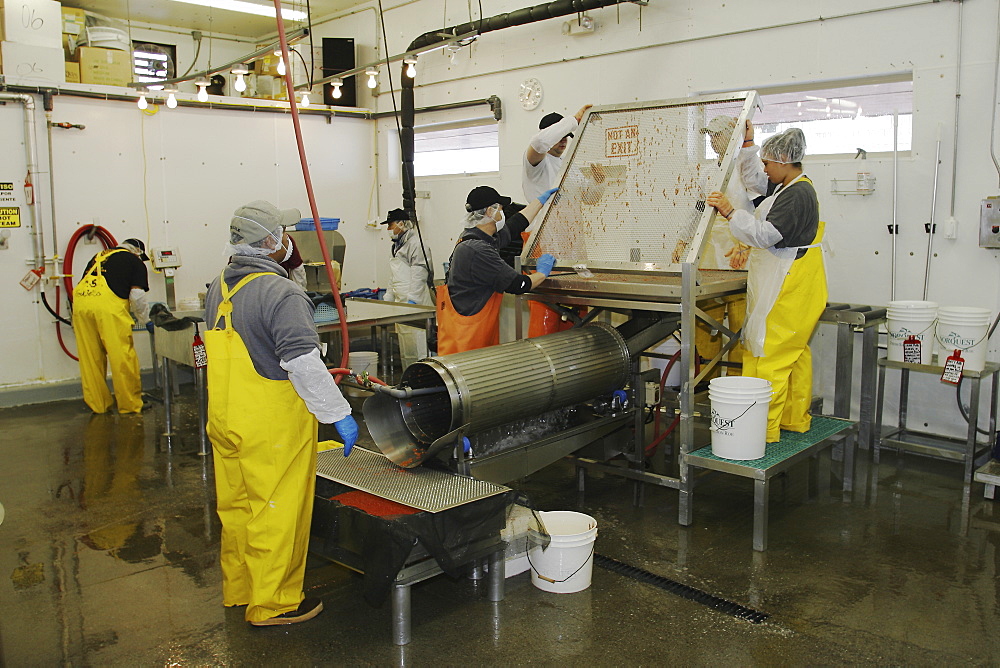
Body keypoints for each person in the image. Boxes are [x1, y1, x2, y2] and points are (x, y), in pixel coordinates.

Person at [203, 200, 359, 627]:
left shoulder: (219, 284)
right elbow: (304, 362)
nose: (289, 242)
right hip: (269, 428)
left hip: (224, 419)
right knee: (277, 512)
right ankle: (274, 603)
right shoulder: (281, 292)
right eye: (285, 234)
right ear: (273, 242)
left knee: (236, 508)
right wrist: (338, 413)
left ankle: (241, 589)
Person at [707, 127, 826, 443]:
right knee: (794, 354)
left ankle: (763, 430)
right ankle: (792, 419)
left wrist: (730, 212)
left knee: (770, 356)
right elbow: (756, 184)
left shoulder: (797, 194)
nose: (764, 169)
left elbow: (766, 235)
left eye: (768, 163)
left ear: (785, 161)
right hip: (793, 279)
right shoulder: (788, 188)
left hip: (790, 284)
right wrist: (748, 144)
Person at [438, 186, 557, 355]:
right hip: (466, 343)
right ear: (489, 211)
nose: (503, 213)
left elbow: (515, 225)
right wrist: (542, 272)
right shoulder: (478, 249)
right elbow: (519, 284)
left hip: (473, 334)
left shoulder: (475, 237)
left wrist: (540, 201)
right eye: (500, 209)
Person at [679, 117, 756, 379]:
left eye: (718, 135)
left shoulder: (747, 169)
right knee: (705, 326)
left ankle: (737, 388)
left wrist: (748, 244)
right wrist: (683, 238)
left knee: (740, 329)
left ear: (733, 135)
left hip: (739, 257)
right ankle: (705, 388)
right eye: (710, 136)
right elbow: (699, 209)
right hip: (710, 257)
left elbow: (761, 211)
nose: (713, 141)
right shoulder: (707, 171)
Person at [73, 237, 151, 414]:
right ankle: (130, 405)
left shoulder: (99, 256)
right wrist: (146, 320)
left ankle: (98, 405)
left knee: (91, 357)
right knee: (122, 356)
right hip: (108, 307)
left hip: (81, 304)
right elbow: (137, 296)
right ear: (137, 251)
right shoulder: (135, 261)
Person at [522, 105, 592, 201]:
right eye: (560, 136)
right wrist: (574, 120)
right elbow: (539, 142)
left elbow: (588, 198)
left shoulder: (568, 164)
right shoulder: (537, 164)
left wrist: (599, 182)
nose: (563, 140)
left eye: (566, 136)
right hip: (542, 216)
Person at [380, 208, 433, 306]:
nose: (388, 229)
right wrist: (388, 298)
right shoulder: (395, 247)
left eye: (390, 225)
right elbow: (394, 278)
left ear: (401, 224)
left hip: (418, 304)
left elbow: (419, 275)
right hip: (401, 303)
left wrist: (413, 300)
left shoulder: (416, 245)